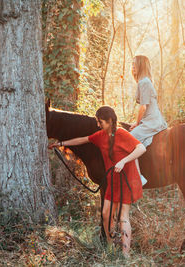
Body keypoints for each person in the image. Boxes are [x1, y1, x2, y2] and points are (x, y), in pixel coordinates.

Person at [49, 106, 146, 257]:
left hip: (125, 179)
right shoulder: (100, 135)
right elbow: (83, 139)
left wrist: (123, 161)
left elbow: (141, 148)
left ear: (109, 121)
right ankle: (110, 247)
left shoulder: (121, 133)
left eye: (100, 122)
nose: (98, 125)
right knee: (106, 213)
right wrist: (61, 144)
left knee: (123, 217)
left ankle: (125, 256)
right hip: (112, 180)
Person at [129, 55, 167, 182]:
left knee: (129, 140)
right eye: (132, 64)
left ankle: (138, 177)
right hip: (150, 120)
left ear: (141, 66)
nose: (132, 67)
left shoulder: (144, 82)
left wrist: (137, 123)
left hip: (152, 121)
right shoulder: (144, 81)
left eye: (135, 64)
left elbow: (143, 108)